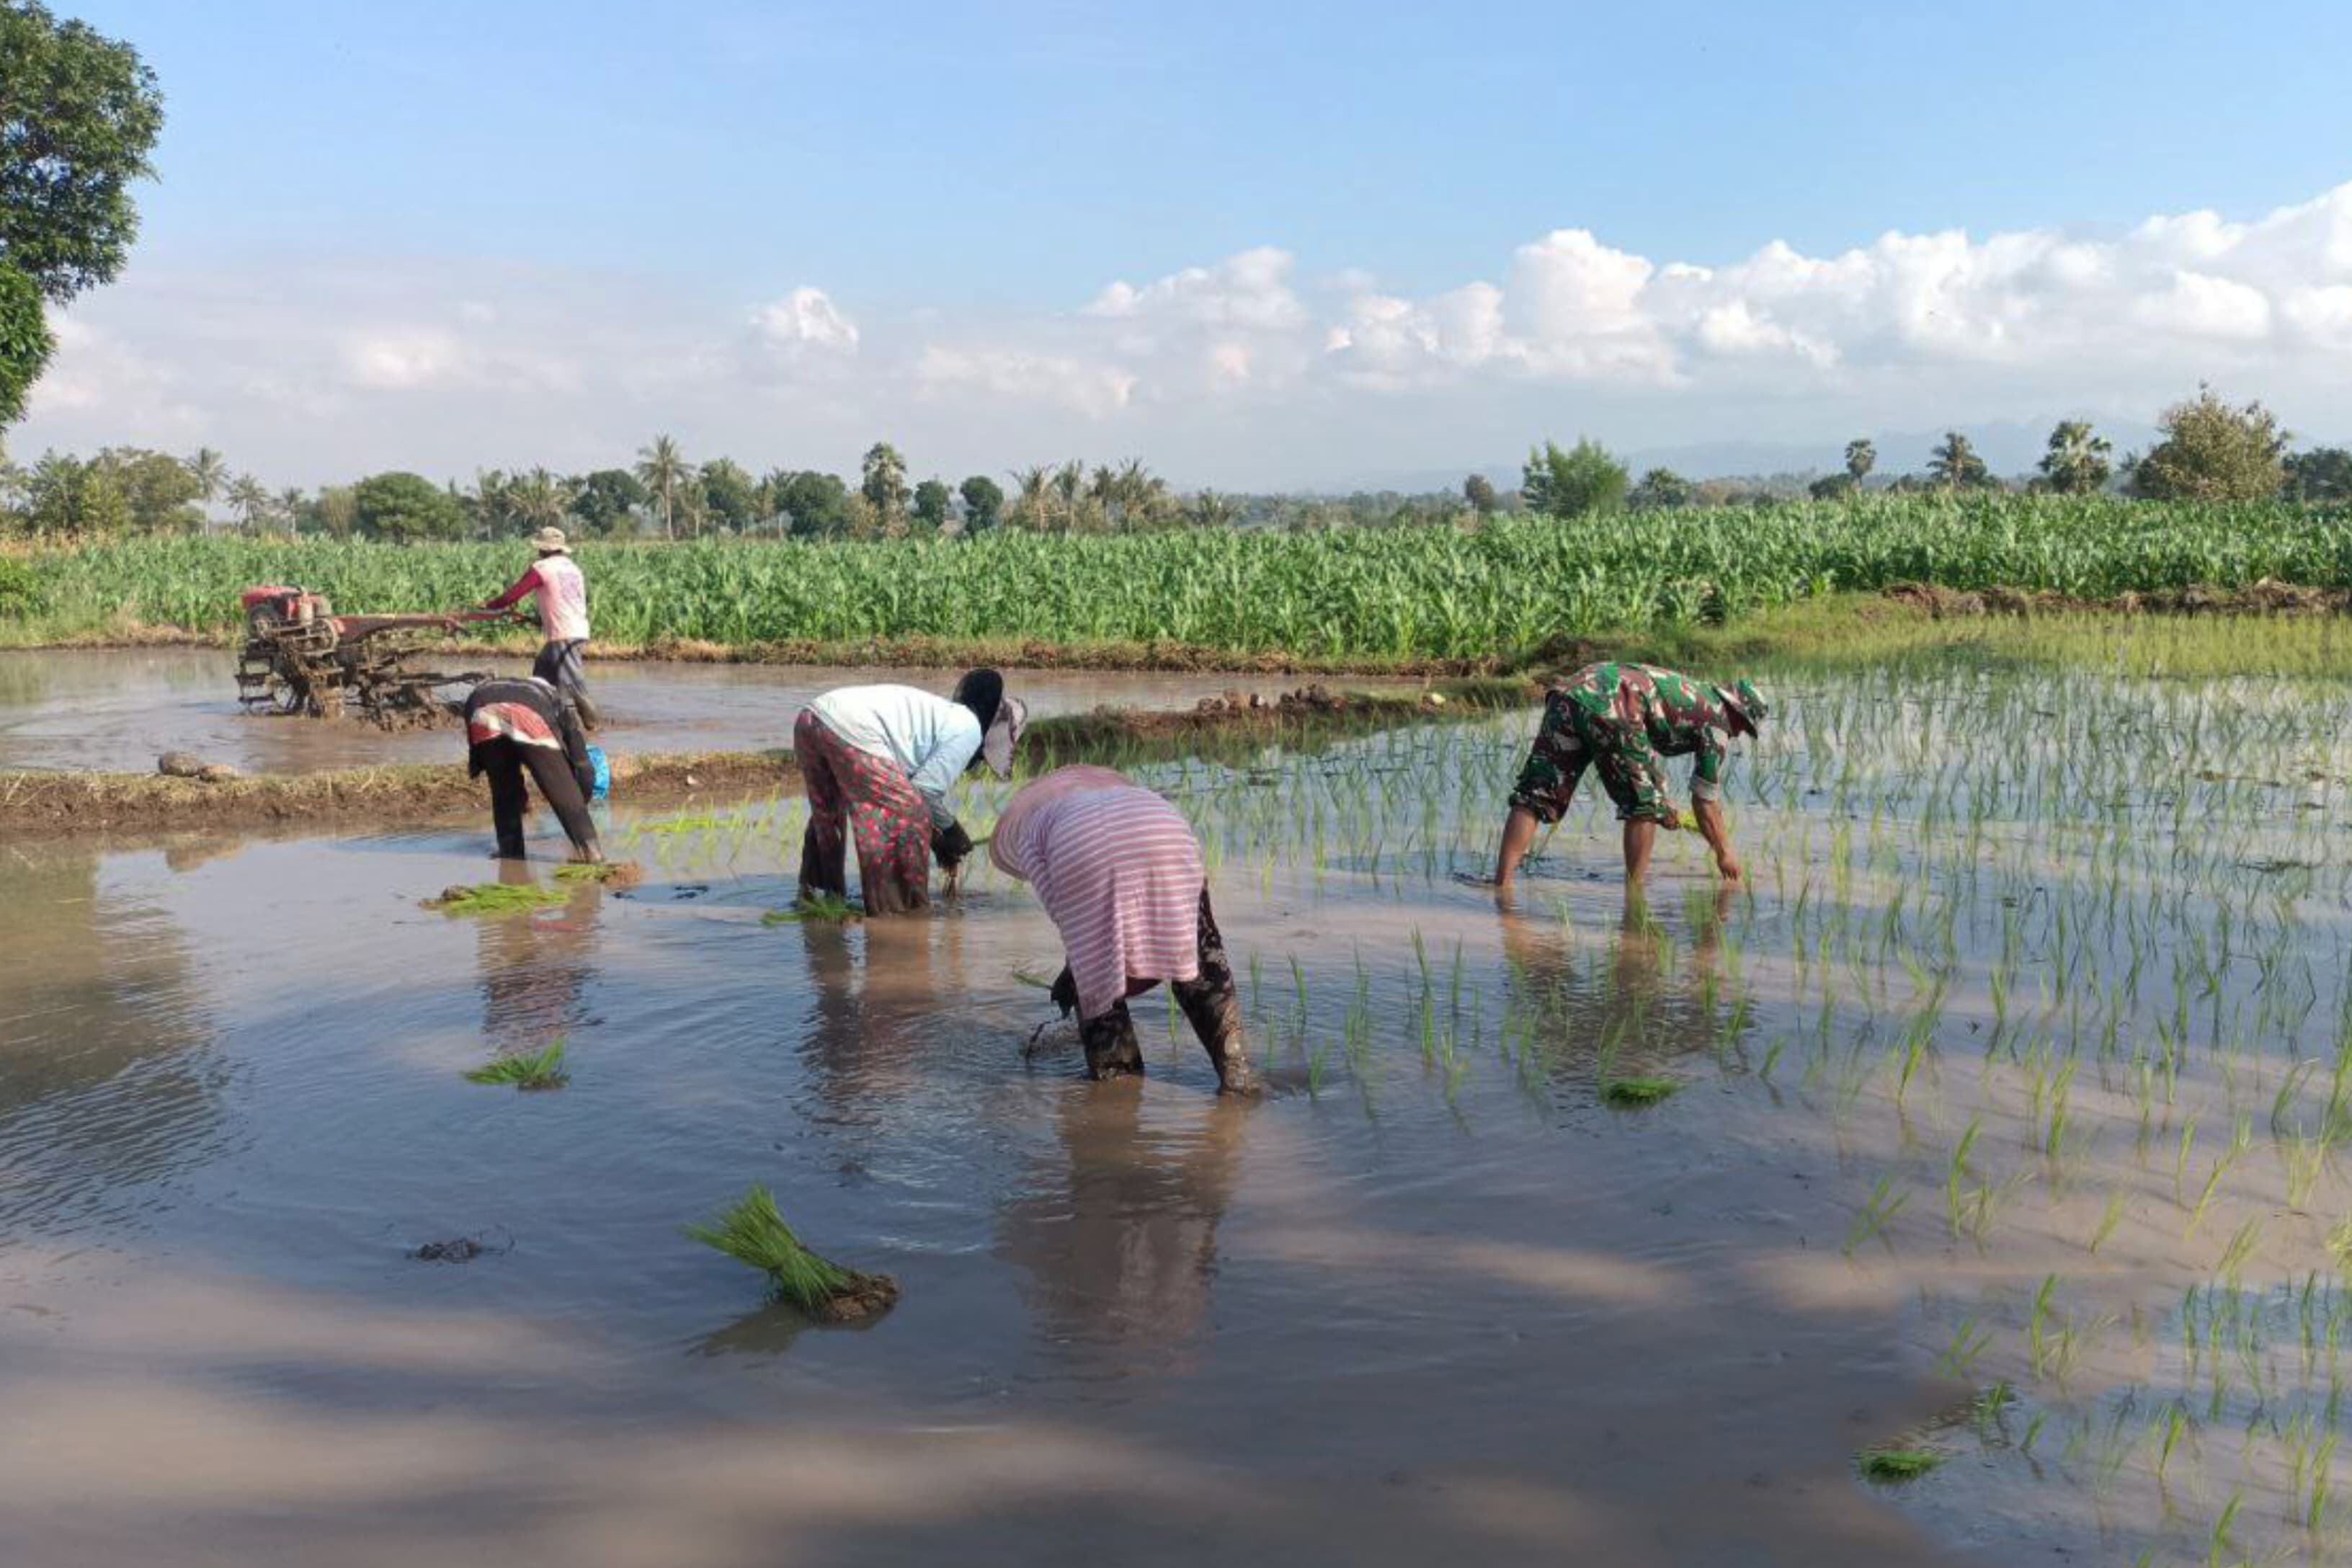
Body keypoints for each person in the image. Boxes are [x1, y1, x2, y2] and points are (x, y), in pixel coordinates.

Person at [989, 765, 1255, 1093]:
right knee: (1202, 955)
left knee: (1097, 980)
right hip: (1165, 829)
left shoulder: (1034, 831)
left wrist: (1078, 973)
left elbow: (1077, 929)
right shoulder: (1135, 796)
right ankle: (1237, 1073)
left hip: (1080, 848)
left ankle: (1119, 1095)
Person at [1494, 662, 1768, 891]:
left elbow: (1642, 748)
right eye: (1743, 728)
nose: (1737, 734)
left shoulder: (1694, 694)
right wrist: (1724, 852)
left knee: (1536, 793)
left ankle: (1501, 884)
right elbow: (1705, 802)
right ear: (1738, 714)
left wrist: (1663, 802)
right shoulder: (1718, 722)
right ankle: (1634, 897)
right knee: (1643, 806)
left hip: (1570, 692)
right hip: (1615, 702)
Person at [793, 669, 1025, 915]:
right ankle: (899, 911)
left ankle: (820, 897)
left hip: (811, 717)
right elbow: (923, 793)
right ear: (992, 736)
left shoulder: (943, 717)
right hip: (853, 728)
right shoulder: (969, 730)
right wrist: (953, 832)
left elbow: (906, 788)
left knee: (828, 816)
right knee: (907, 816)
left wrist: (937, 840)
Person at [463, 674, 603, 863]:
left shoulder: (489, 687)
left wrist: (479, 767)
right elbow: (582, 764)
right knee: (563, 790)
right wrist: (581, 799)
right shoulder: (555, 698)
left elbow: (476, 742)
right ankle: (592, 853)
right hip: (527, 715)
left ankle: (510, 852)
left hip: (481, 711)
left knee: (503, 791)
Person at [481, 526, 599, 728]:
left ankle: (590, 723)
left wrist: (489, 606)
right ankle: (542, 715)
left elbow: (514, 594)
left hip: (564, 634)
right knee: (542, 673)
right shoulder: (573, 569)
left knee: (571, 681)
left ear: (543, 549)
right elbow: (570, 601)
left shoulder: (542, 568)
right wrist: (538, 620)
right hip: (577, 629)